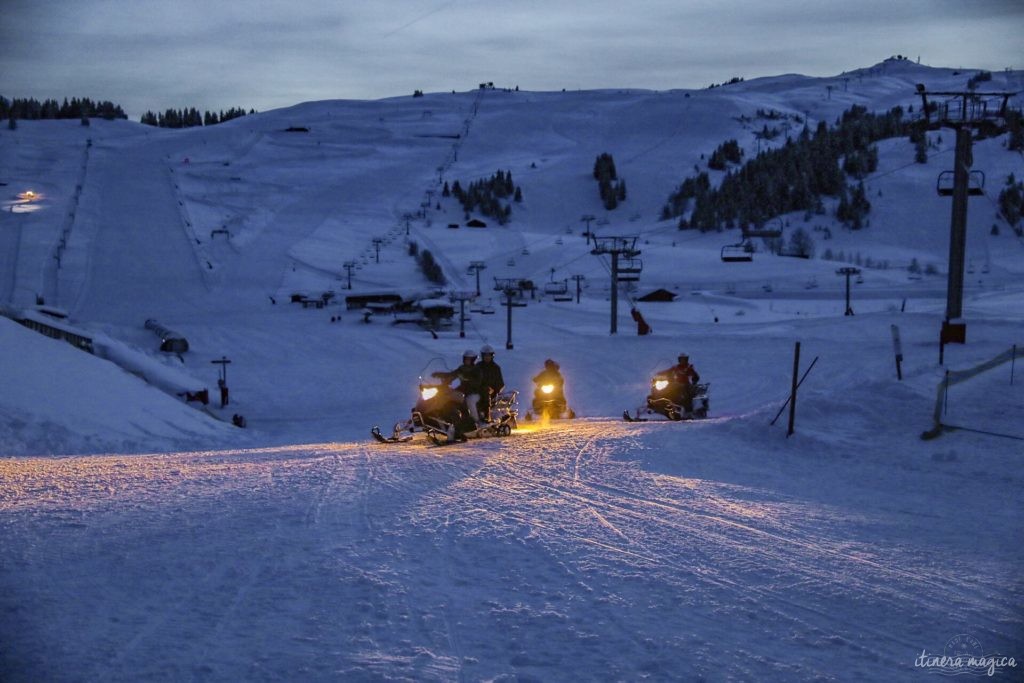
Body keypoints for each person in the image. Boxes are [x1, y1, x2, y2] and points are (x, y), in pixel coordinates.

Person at [434, 350, 484, 426]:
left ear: (473, 360)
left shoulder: (477, 369)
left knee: (470, 401)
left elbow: (477, 382)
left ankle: (476, 421)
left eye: (469, 359)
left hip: (474, 392)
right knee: (449, 395)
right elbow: (453, 374)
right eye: (466, 359)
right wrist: (440, 375)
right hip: (463, 390)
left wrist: (466, 378)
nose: (467, 361)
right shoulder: (462, 368)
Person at [477, 344, 505, 422]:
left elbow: (500, 383)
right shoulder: (477, 366)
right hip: (478, 389)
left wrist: (495, 390)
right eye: (485, 355)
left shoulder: (495, 368)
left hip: (490, 391)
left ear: (492, 356)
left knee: (485, 393)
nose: (487, 357)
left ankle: (486, 416)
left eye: (489, 355)